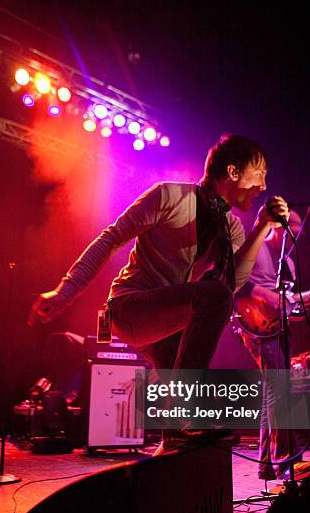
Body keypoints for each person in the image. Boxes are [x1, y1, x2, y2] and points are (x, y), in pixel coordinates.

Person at [28, 134, 289, 453]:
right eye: (259, 174)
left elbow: (230, 286)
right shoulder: (169, 197)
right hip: (129, 307)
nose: (263, 186)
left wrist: (262, 226)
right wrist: (65, 291)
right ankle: (182, 418)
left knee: (177, 438)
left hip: (167, 327)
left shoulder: (230, 227)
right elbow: (109, 240)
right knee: (212, 300)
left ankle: (171, 444)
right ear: (233, 172)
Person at [235, 210, 310, 479]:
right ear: (280, 228)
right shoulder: (256, 247)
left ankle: (267, 465)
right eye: (293, 232)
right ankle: (287, 462)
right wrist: (265, 294)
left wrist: (309, 300)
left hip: (278, 327)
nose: (296, 237)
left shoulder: (289, 264)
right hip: (255, 326)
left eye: (298, 234)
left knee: (271, 394)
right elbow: (234, 281)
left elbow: (288, 303)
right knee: (279, 390)